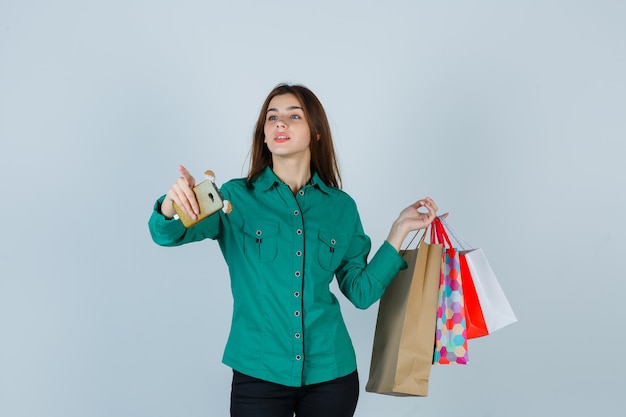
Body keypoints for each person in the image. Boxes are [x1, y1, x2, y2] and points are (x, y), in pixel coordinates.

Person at [148, 83, 440, 417]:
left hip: (332, 375)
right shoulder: (233, 198)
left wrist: (398, 232)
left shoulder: (341, 208)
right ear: (264, 135)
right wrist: (171, 205)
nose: (279, 124)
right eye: (272, 118)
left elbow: (360, 292)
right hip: (258, 374)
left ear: (316, 131)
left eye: (293, 115)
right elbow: (166, 235)